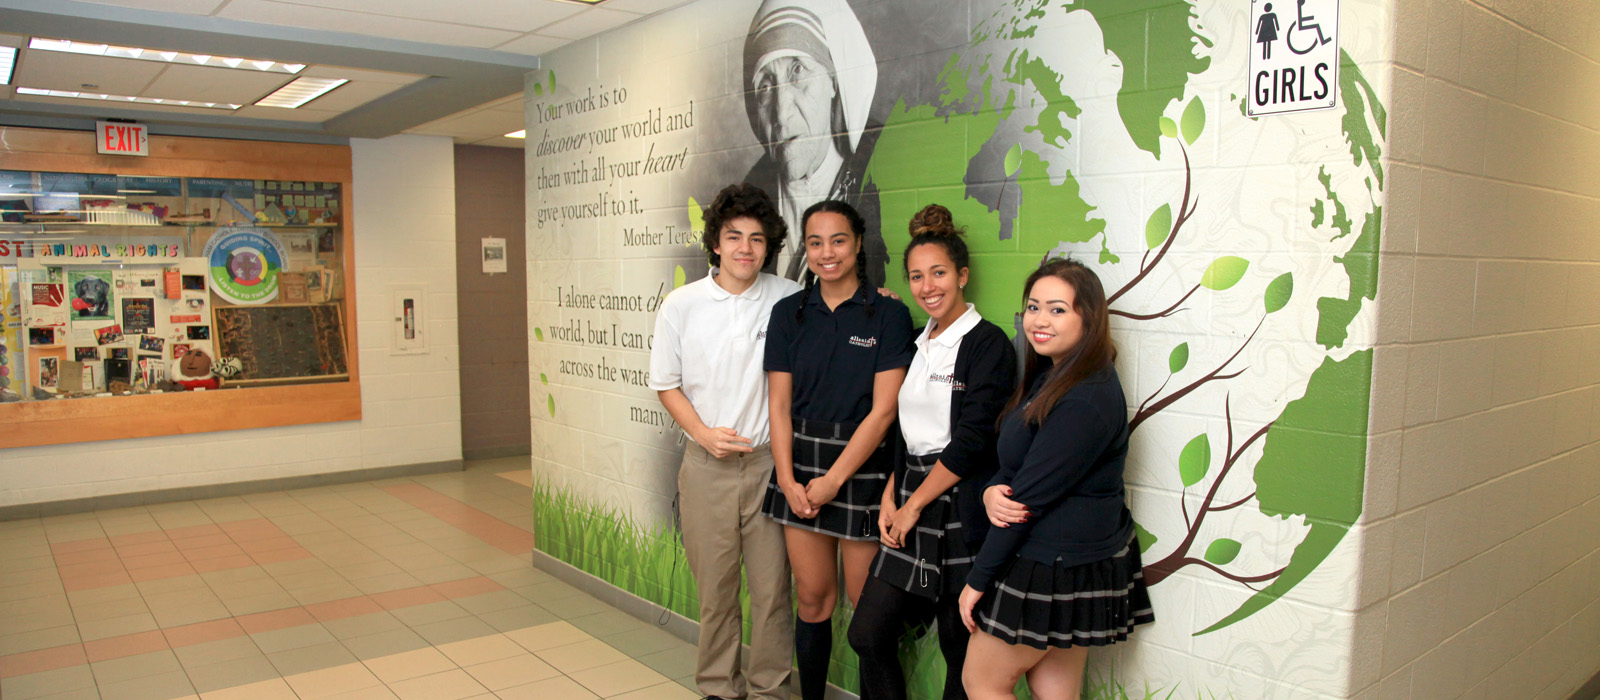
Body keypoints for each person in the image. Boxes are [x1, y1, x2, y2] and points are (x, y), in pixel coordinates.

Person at [957, 258, 1154, 700]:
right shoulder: (1053, 374)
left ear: (1089, 317)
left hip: (1054, 562)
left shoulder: (1086, 397)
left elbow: (1027, 500)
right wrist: (991, 489)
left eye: (1057, 309)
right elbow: (1015, 458)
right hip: (1069, 558)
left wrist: (978, 580)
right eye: (1033, 307)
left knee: (982, 680)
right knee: (1052, 687)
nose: (1040, 320)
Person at [847, 205, 1017, 700]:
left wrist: (913, 503)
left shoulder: (988, 345)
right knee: (868, 634)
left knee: (958, 649)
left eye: (939, 273)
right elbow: (904, 430)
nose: (928, 286)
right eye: (917, 277)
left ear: (962, 275)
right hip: (911, 498)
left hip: (958, 505)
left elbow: (971, 441)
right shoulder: (920, 342)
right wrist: (889, 494)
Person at [649, 183, 802, 700]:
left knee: (773, 593)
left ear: (768, 247)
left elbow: (837, 314)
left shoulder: (787, 298)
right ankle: (719, 687)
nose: (745, 249)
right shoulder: (682, 305)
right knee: (716, 593)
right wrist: (702, 433)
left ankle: (771, 691)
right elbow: (665, 383)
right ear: (715, 242)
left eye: (757, 239)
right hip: (706, 468)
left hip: (769, 468)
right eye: (734, 237)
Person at [763, 199, 914, 700]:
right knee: (812, 598)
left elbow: (884, 411)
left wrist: (833, 481)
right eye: (815, 242)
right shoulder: (788, 313)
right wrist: (787, 478)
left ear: (858, 244)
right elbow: (779, 405)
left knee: (865, 606)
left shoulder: (889, 313)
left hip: (861, 468)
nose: (827, 253)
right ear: (805, 249)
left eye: (838, 240)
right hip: (799, 465)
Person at [742, 0, 886, 287]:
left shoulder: (882, 174)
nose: (782, 112)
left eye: (797, 71)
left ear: (834, 80)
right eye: (766, 86)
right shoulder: (748, 203)